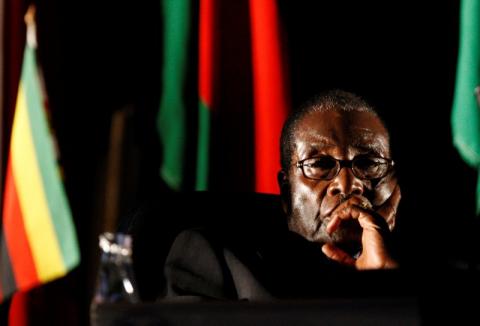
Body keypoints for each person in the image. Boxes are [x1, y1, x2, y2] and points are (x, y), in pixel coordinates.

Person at [162, 90, 401, 300]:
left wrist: (381, 283)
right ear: (286, 193)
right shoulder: (213, 258)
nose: (348, 184)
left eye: (369, 163)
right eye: (319, 164)